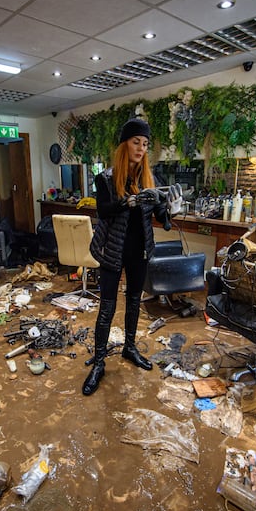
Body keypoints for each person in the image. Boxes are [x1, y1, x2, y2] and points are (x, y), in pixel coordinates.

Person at [83, 118, 182, 396]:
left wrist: (170, 208)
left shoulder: (149, 180)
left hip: (139, 250)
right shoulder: (105, 178)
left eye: (145, 144)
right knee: (107, 308)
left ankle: (129, 347)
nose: (141, 148)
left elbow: (160, 216)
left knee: (134, 302)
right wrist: (130, 200)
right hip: (112, 250)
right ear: (125, 144)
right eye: (136, 142)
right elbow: (103, 210)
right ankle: (99, 362)